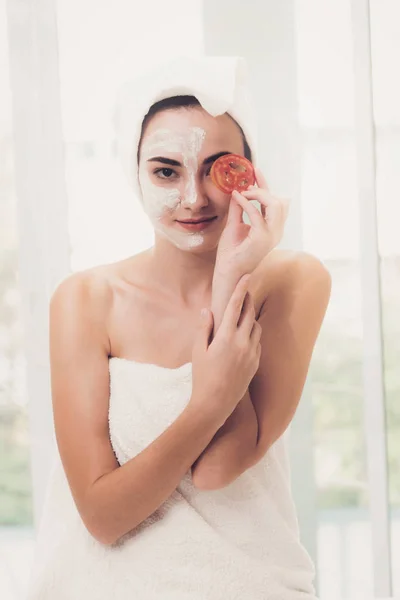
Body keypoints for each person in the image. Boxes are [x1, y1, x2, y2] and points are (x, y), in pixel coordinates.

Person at [26, 56, 331, 599]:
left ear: (250, 173)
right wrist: (208, 400)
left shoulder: (294, 281)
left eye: (218, 168)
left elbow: (219, 469)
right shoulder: (86, 300)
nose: (193, 198)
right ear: (134, 172)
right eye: (166, 170)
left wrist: (231, 274)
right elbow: (102, 516)